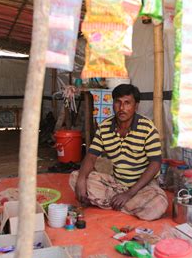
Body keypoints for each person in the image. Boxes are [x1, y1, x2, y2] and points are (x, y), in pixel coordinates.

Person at [70, 84, 168, 221]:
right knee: (75, 178)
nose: (122, 108)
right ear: (112, 104)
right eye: (118, 102)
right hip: (116, 184)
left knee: (159, 203)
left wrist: (129, 193)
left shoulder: (147, 128)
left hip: (142, 186)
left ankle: (113, 202)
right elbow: (91, 156)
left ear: (136, 106)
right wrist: (81, 180)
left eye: (127, 103)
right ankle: (126, 204)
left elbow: (155, 164)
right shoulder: (104, 127)